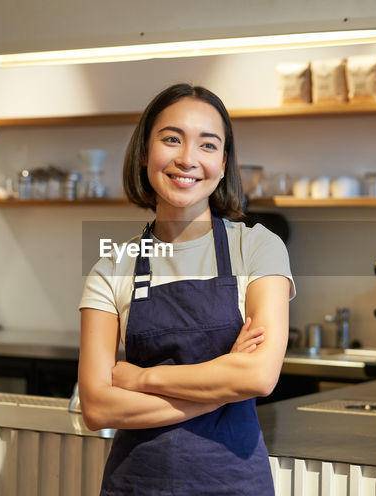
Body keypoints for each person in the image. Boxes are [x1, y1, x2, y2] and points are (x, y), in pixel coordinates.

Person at [77, 83, 294, 495]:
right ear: (145, 153)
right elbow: (98, 406)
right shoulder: (111, 267)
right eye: (171, 139)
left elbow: (259, 376)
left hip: (234, 484)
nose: (187, 159)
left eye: (208, 145)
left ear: (224, 162)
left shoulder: (258, 247)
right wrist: (221, 386)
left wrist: (142, 379)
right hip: (136, 484)